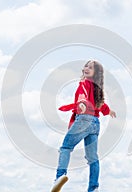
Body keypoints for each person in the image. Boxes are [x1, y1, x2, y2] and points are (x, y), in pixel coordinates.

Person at [51, 60, 116, 192]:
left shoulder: (84, 83)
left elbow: (83, 95)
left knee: (65, 147)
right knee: (93, 158)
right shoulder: (97, 89)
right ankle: (94, 188)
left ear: (95, 73)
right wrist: (109, 111)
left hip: (85, 119)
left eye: (90, 67)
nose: (86, 68)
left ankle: (60, 176)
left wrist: (82, 104)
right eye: (86, 66)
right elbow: (101, 105)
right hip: (95, 124)